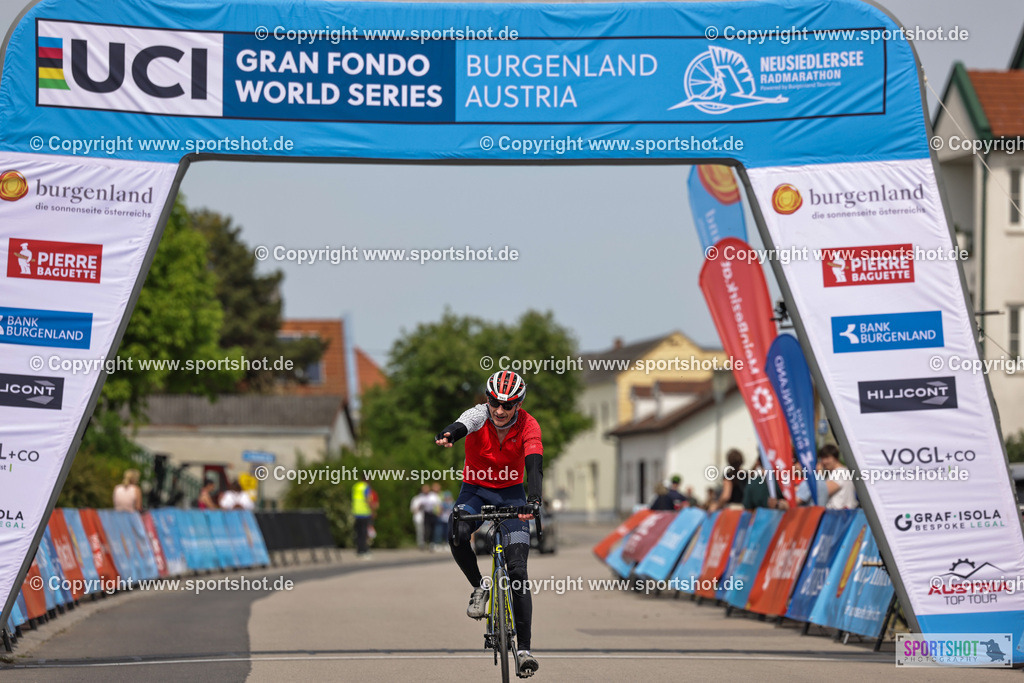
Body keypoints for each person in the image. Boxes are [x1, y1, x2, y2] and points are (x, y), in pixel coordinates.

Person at [435, 370, 542, 677]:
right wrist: (449, 434)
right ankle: (480, 586)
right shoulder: (479, 415)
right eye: (494, 402)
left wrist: (533, 500)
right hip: (476, 490)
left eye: (507, 405)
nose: (499, 410)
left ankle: (524, 651)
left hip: (512, 496)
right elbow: (462, 425)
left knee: (518, 571)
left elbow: (534, 464)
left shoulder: (529, 425)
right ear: (488, 399)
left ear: (518, 405)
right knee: (456, 531)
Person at [818, 444, 858, 509]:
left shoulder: (839, 473)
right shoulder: (845, 471)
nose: (824, 462)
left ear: (835, 458)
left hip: (839, 513)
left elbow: (823, 492)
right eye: (822, 458)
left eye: (827, 458)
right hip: (846, 512)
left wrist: (819, 474)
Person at [353, 471, 378, 558]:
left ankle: (359, 549)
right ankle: (363, 550)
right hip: (364, 512)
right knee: (364, 533)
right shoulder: (366, 487)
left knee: (358, 532)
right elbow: (368, 500)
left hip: (356, 512)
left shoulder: (356, 486)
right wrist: (372, 511)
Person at [410, 485, 429, 550]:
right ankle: (421, 544)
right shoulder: (416, 499)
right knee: (420, 531)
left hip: (426, 518)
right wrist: (419, 507)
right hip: (418, 518)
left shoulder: (428, 498)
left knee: (426, 531)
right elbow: (413, 510)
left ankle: (425, 543)